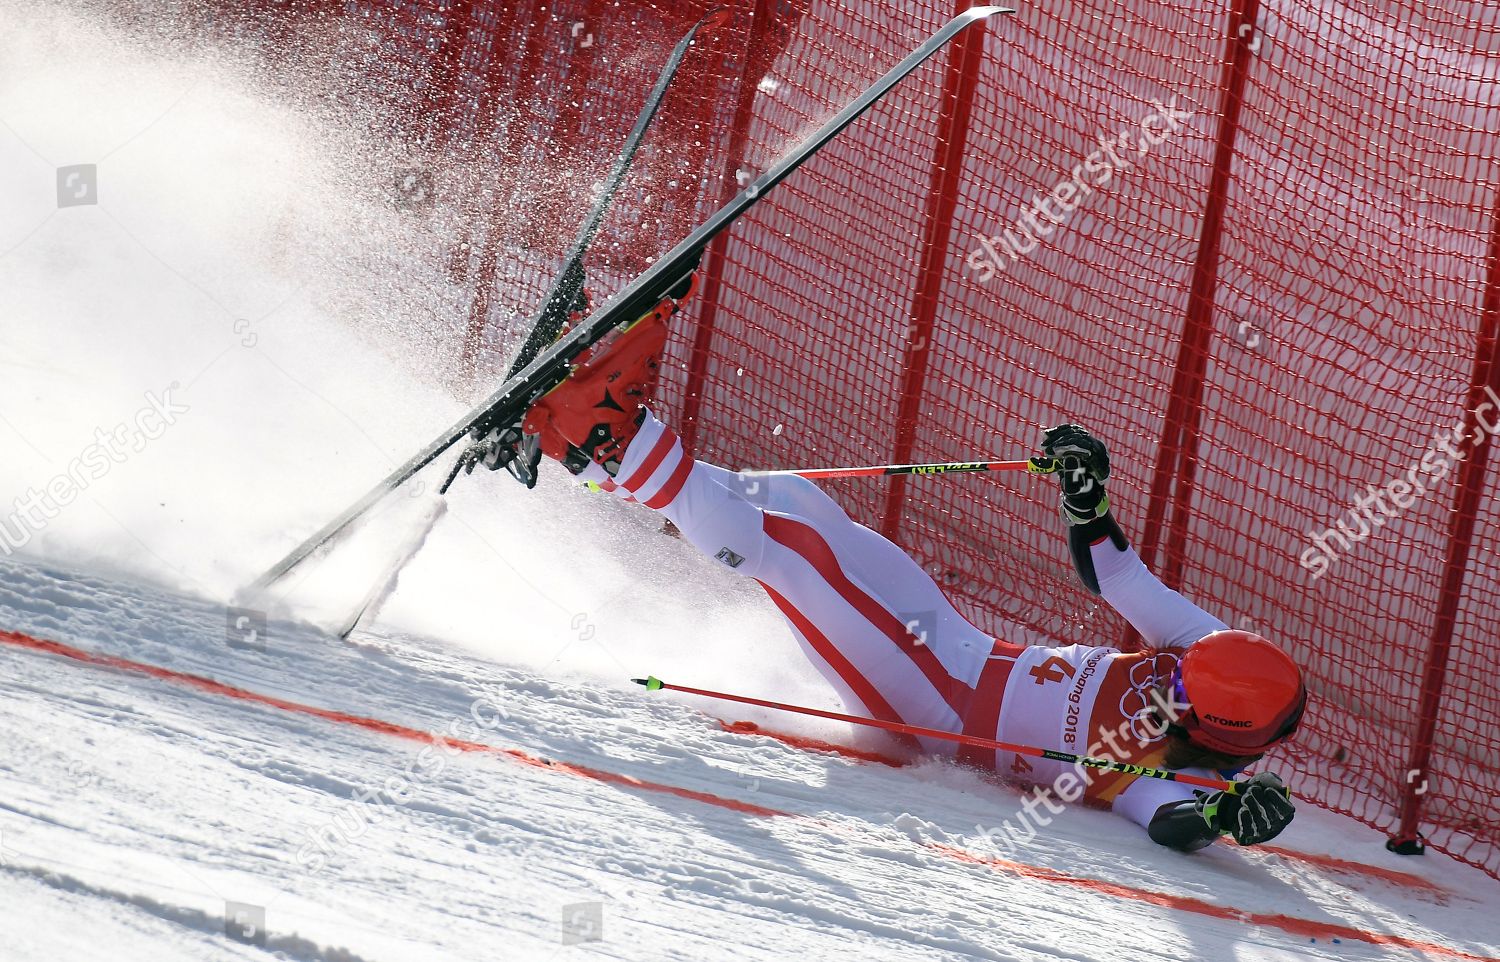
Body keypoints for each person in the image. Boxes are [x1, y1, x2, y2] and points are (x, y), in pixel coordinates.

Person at [478, 282, 1305, 851]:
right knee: (798, 503)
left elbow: (1169, 824)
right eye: (1189, 666)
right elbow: (1123, 582)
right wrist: (1087, 498)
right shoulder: (1210, 655)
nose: (1175, 676)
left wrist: (1226, 822)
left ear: (1211, 732)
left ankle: (604, 427)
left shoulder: (1174, 776)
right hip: (958, 642)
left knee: (787, 553)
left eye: (1185, 695)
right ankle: (571, 442)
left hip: (928, 700)